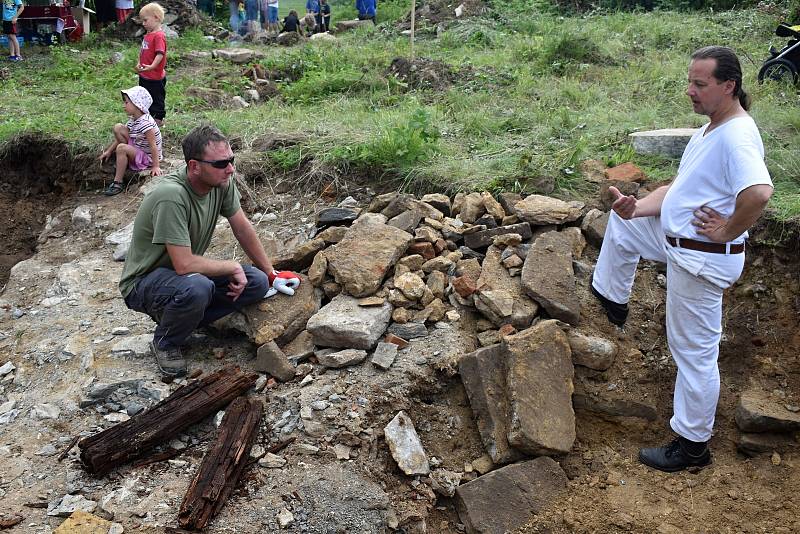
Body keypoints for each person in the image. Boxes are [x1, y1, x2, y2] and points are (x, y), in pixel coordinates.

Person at [591, 46, 773, 473]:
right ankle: (611, 297)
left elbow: (759, 193)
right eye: (689, 81)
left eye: (700, 84)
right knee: (625, 224)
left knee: (693, 353)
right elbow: (679, 187)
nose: (690, 91)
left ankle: (693, 445)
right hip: (682, 244)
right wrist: (638, 208)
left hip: (702, 259)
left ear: (728, 86)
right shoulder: (711, 129)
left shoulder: (737, 135)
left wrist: (729, 229)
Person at [119, 124, 300, 377]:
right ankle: (167, 341)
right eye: (221, 163)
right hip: (144, 282)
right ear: (194, 166)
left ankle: (186, 317)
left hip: (183, 277)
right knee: (197, 288)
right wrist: (232, 267)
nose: (230, 168)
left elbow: (242, 228)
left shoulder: (221, 183)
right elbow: (183, 264)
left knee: (256, 283)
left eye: (231, 160)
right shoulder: (171, 195)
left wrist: (270, 272)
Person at [99, 86, 163, 196]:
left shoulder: (145, 123)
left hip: (147, 158)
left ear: (137, 104)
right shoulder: (134, 119)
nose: (124, 106)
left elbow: (153, 145)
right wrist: (109, 151)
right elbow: (124, 134)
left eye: (127, 102)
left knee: (121, 148)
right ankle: (124, 156)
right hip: (138, 148)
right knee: (118, 128)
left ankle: (118, 182)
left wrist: (156, 166)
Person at [136, 2, 167, 127]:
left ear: (156, 17)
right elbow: (143, 51)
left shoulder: (159, 36)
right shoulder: (148, 35)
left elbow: (160, 54)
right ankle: (145, 116)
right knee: (144, 95)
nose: (143, 23)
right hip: (145, 73)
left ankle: (158, 118)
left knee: (157, 97)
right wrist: (139, 63)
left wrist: (153, 66)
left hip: (155, 76)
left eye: (145, 20)